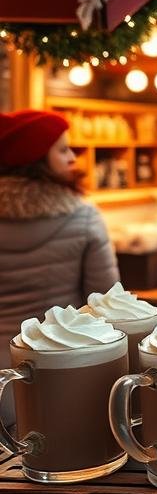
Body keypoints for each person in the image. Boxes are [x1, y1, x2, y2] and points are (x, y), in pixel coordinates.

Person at [0, 110, 119, 425]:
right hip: (63, 372)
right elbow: (107, 306)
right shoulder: (82, 217)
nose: (72, 157)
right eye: (63, 149)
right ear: (37, 158)